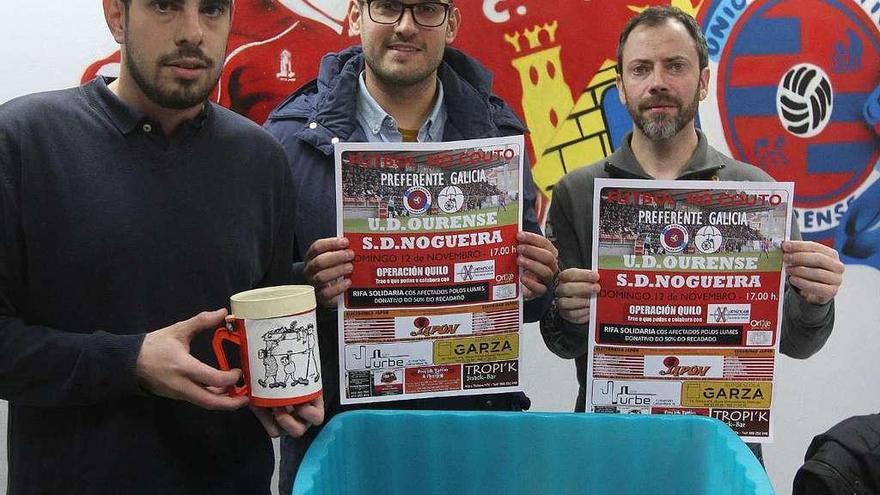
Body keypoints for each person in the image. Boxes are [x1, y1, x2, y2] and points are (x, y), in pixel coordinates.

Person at [0, 1, 323, 493]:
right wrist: (130, 362)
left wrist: (283, 389)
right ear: (117, 16)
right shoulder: (23, 141)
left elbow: (254, 327)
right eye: (166, 6)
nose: (192, 32)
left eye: (212, 10)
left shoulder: (262, 160)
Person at [263, 0, 558, 490]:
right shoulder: (287, 138)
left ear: (451, 24)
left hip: (469, 443)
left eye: (425, 9)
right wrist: (305, 283)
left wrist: (538, 281)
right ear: (357, 15)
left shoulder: (499, 135)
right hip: (343, 449)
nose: (405, 26)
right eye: (388, 7)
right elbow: (257, 296)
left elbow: (523, 305)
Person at [539, 5, 845, 457]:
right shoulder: (576, 193)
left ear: (703, 81)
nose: (657, 82)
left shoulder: (756, 194)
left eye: (675, 66)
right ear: (621, 88)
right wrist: (565, 314)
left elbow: (798, 343)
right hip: (611, 448)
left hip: (723, 449)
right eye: (641, 69)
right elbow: (560, 344)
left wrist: (816, 300)